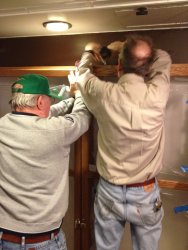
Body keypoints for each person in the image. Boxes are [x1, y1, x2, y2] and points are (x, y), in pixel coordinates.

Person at [71, 34, 172, 250]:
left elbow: (81, 74)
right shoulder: (158, 94)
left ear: (118, 67)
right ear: (147, 69)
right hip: (145, 192)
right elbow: (163, 57)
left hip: (109, 191)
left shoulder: (103, 93)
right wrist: (125, 47)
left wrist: (91, 52)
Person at [0, 73, 90, 250]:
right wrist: (79, 92)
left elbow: (40, 116)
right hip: (41, 242)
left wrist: (67, 101)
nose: (51, 103)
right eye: (49, 99)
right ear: (40, 102)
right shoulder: (57, 130)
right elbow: (82, 117)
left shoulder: (2, 125)